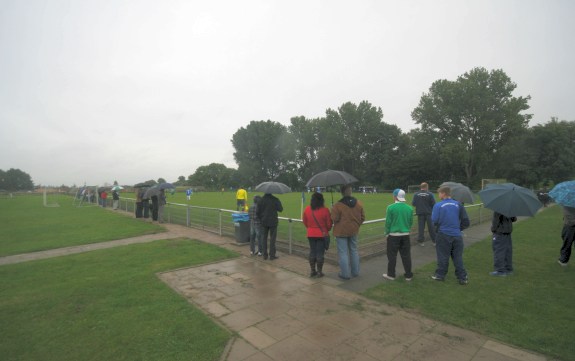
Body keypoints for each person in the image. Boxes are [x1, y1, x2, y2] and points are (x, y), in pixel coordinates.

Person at [431, 186, 470, 285]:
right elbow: (466, 221)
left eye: (439, 193)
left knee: (443, 256)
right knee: (458, 257)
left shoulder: (438, 205)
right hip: (457, 235)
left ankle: (440, 275)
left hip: (443, 234)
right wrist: (458, 229)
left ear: (443, 193)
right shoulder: (458, 204)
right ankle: (462, 277)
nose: (438, 195)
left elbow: (434, 220)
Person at [331, 184, 365, 280]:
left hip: (341, 232)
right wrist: (356, 225)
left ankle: (345, 274)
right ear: (351, 191)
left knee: (343, 253)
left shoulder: (337, 205)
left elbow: (334, 218)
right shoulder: (358, 203)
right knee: (354, 251)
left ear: (342, 192)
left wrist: (332, 209)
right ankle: (355, 272)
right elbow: (362, 218)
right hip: (354, 231)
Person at [383, 189, 414, 281]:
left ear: (395, 196)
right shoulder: (409, 208)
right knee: (406, 255)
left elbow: (388, 223)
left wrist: (386, 233)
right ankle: (408, 275)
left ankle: (391, 275)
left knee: (392, 255)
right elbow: (410, 222)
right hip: (405, 235)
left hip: (393, 235)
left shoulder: (391, 207)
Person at [302, 192, 333, 278]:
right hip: (321, 235)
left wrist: (311, 228)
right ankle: (319, 272)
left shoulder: (307, 209)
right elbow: (329, 225)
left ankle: (312, 271)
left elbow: (305, 221)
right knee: (320, 253)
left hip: (310, 234)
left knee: (312, 252)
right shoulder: (325, 210)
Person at [256, 193, 283, 260]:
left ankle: (265, 255)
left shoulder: (261, 200)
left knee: (264, 239)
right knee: (272, 239)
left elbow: (257, 212)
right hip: (273, 222)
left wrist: (261, 219)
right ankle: (272, 255)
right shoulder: (275, 199)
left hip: (264, 222)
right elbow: (280, 209)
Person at [490, 212, 517, 276]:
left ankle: (500, 270)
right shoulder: (510, 208)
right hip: (507, 232)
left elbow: (495, 222)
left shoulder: (498, 209)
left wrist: (493, 229)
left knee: (498, 251)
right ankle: (508, 269)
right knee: (508, 251)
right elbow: (514, 219)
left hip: (500, 233)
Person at [412, 182, 436, 246]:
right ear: (427, 187)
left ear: (421, 187)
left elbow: (413, 203)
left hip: (420, 213)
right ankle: (434, 241)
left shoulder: (416, 194)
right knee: (431, 228)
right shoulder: (430, 194)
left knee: (421, 228)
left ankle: (421, 242)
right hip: (429, 213)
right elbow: (434, 204)